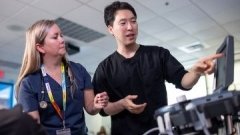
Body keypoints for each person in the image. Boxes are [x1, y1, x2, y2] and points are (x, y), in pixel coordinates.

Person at [92, 1, 223, 135]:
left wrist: (196, 72)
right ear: (111, 29)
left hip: (161, 131)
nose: (130, 27)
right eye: (123, 23)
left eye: (133, 21)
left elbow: (183, 81)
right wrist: (122, 104)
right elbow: (104, 109)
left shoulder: (158, 54)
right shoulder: (104, 69)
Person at [15, 19, 109, 135]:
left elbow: (90, 109)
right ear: (40, 47)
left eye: (61, 35)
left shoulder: (79, 70)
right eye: (55, 37)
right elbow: (33, 128)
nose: (62, 40)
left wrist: (96, 104)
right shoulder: (29, 83)